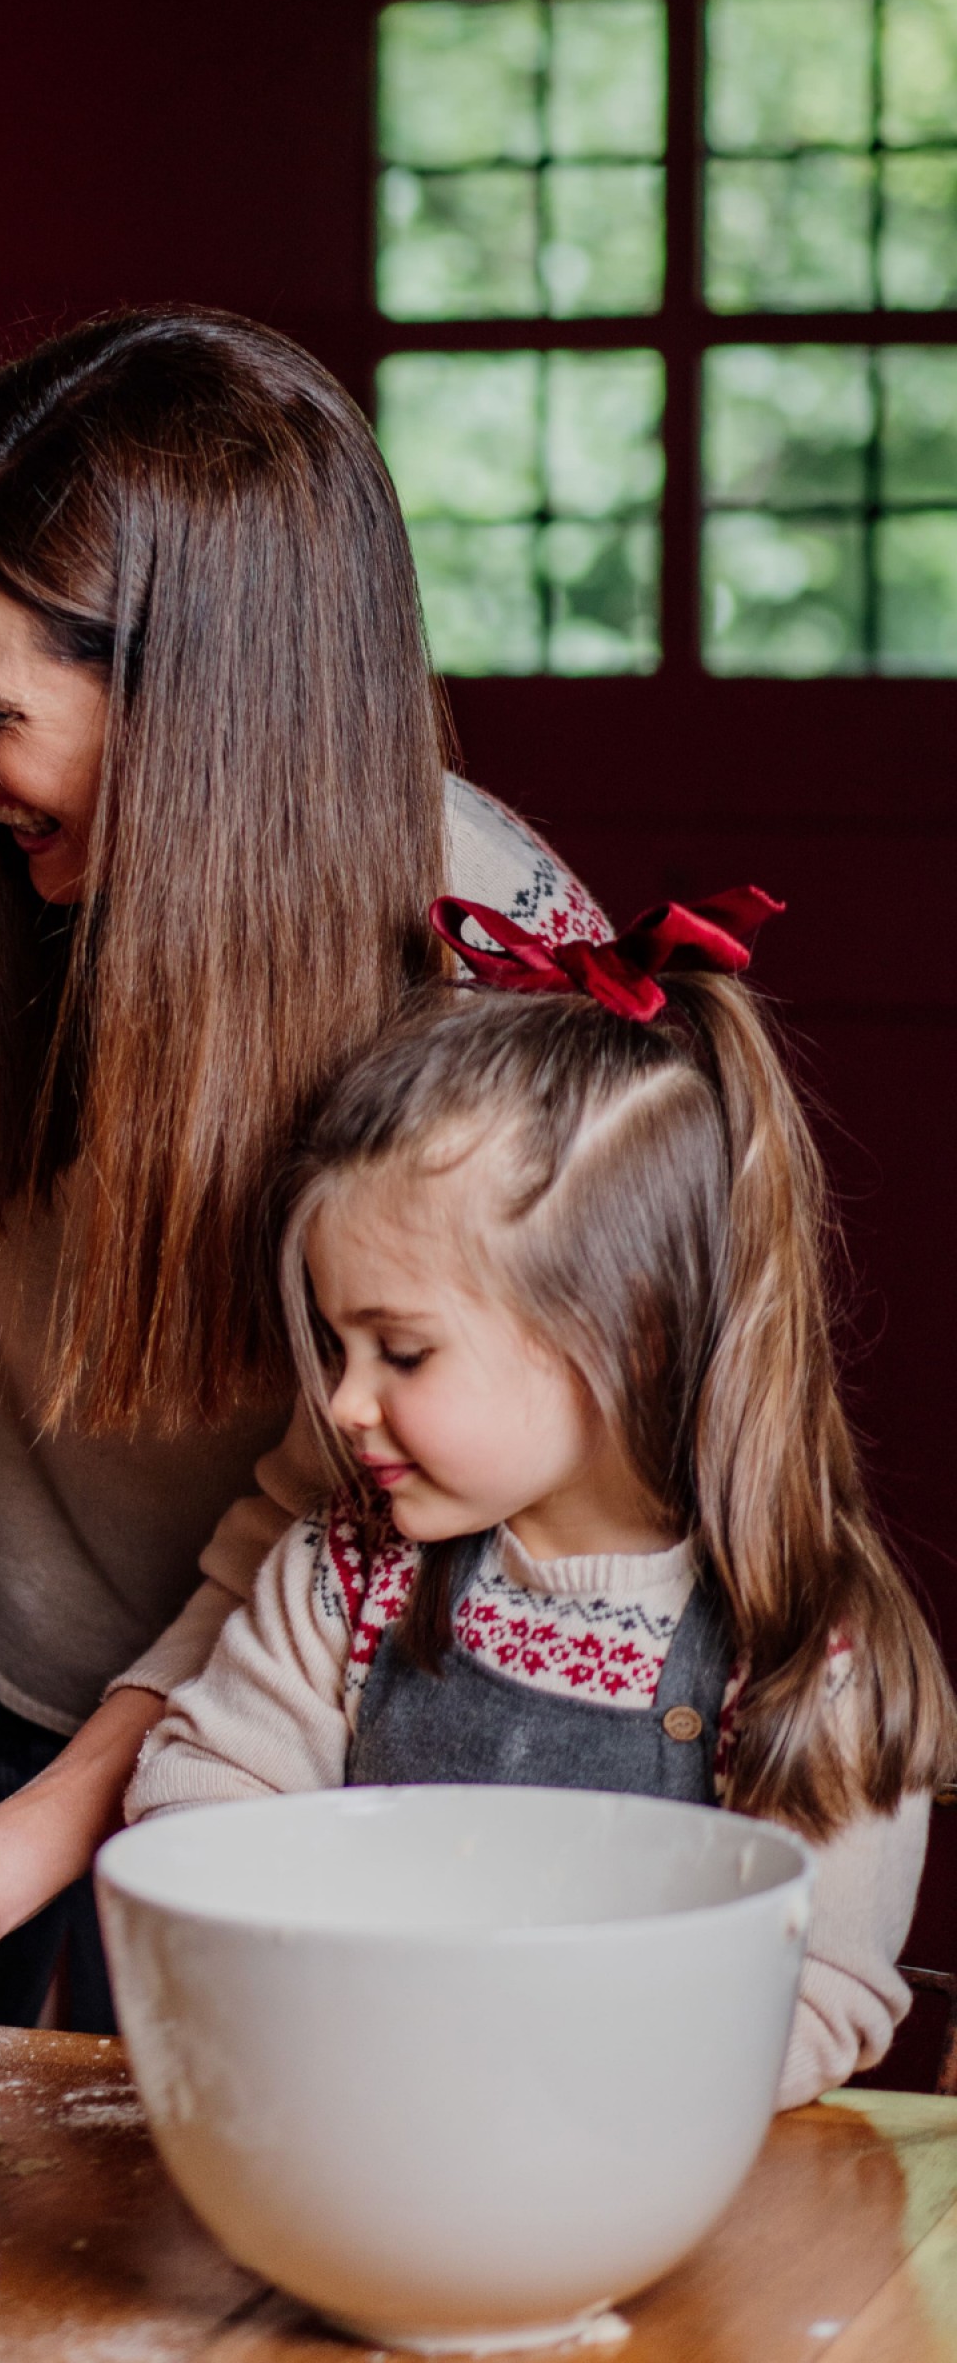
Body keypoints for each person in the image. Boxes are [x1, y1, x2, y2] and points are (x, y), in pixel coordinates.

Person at [0, 309, 605, 2077]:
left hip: (286, 1692)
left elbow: (322, 1512)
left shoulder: (478, 966)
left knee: (193, 2204)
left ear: (205, 723)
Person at [129, 889, 957, 2104]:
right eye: (337, 1345)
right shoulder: (347, 1574)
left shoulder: (802, 1654)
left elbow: (817, 1991)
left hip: (644, 2172)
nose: (344, 1402)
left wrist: (542, 2076)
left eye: (402, 1351)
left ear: (625, 1335)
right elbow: (207, 1804)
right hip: (361, 2119)